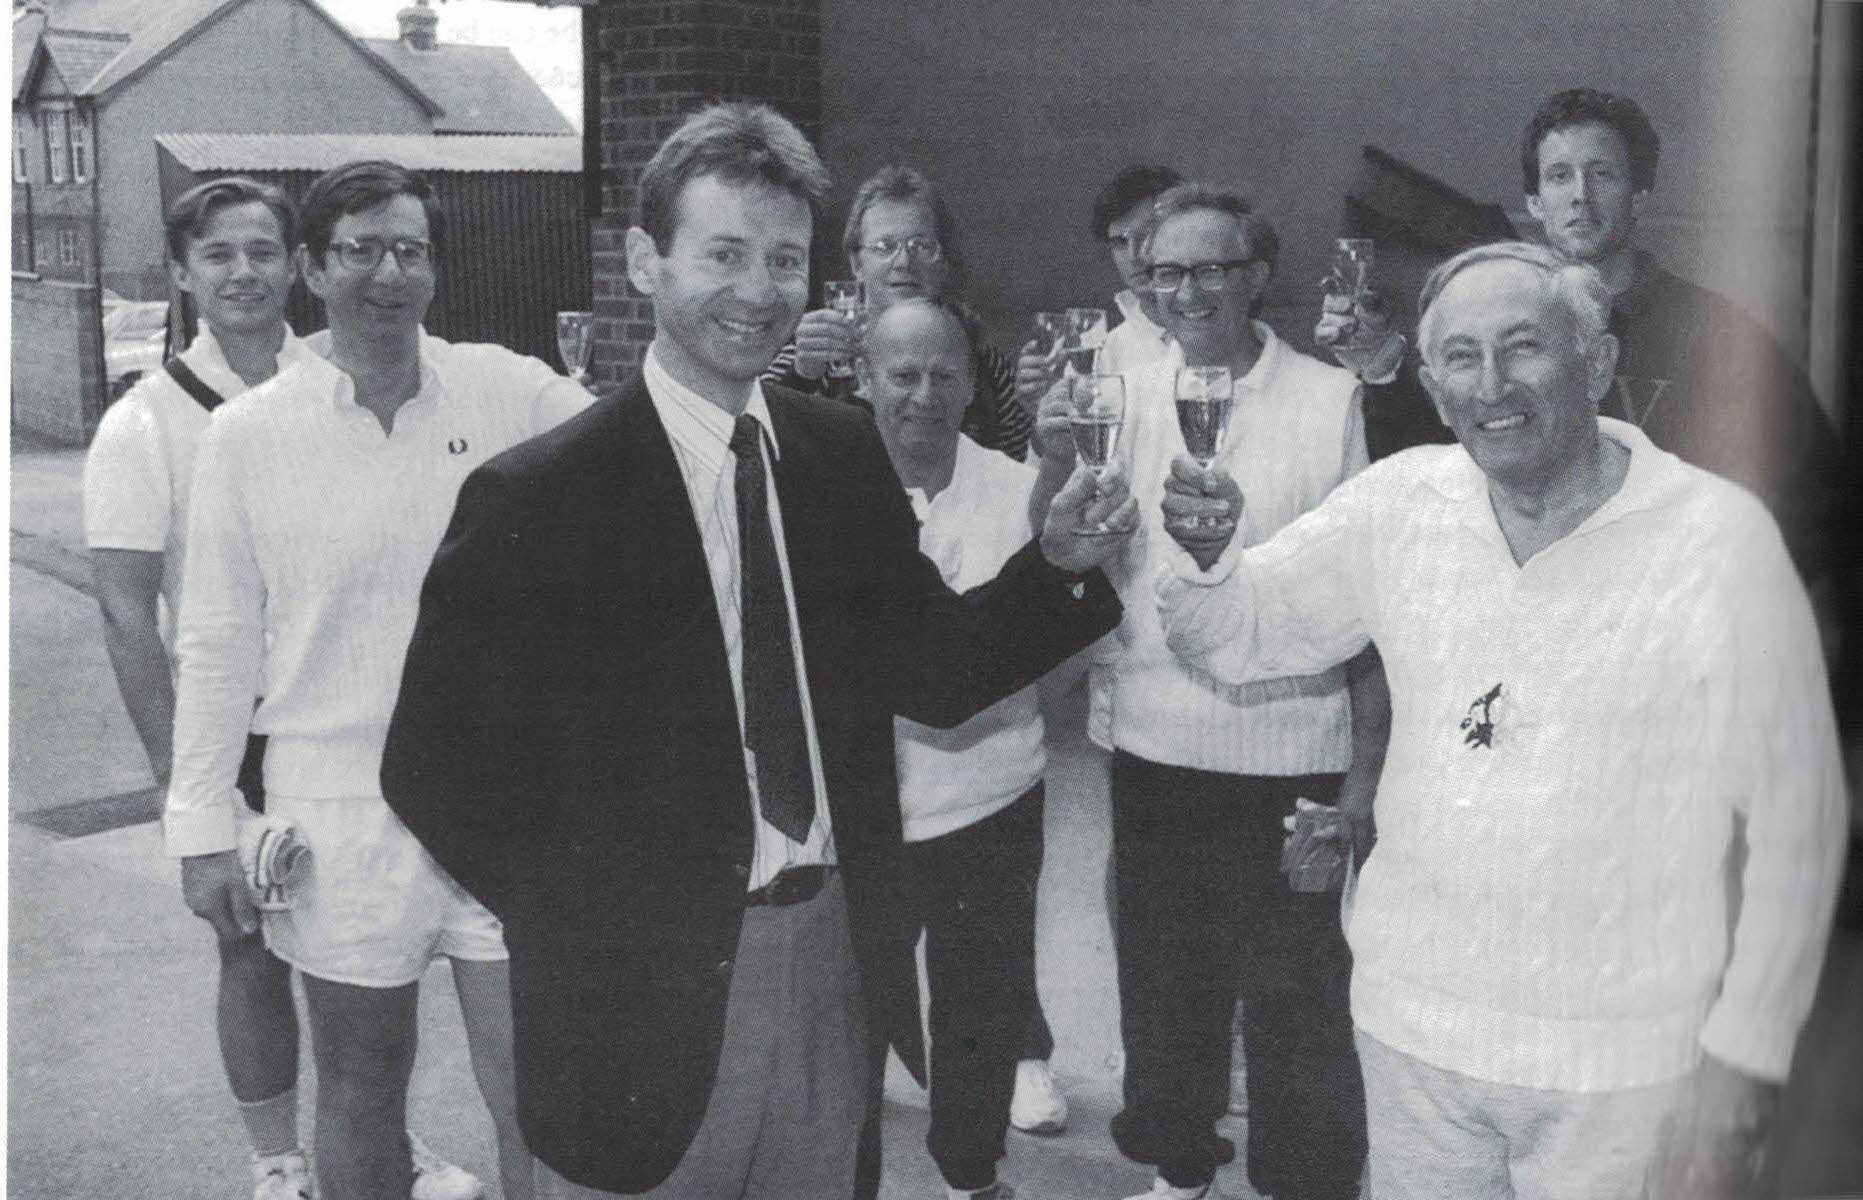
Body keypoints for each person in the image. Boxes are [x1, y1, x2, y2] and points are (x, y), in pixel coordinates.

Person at [377, 102, 1132, 1200]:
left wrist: (1059, 558)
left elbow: (938, 668)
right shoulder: (537, 496)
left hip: (832, 957)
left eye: (784, 258)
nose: (758, 288)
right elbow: (432, 765)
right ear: (646, 260)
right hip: (637, 996)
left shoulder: (838, 455)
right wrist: (591, 918)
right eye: (724, 253)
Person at [1158, 240, 1846, 1200]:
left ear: (1596, 363)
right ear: (1433, 390)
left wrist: (1751, 1049)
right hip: (1414, 1030)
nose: (1492, 386)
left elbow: (1799, 818)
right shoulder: (1399, 505)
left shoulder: (1715, 539)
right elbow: (1239, 636)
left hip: (1620, 1060)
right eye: (1462, 359)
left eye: (1523, 347)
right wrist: (1202, 557)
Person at [165, 160, 591, 1199]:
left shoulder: (506, 389)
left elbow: (643, 447)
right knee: (361, 1087)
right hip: (339, 811)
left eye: (409, 249)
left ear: (434, 268)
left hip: (500, 806)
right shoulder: (246, 437)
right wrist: (201, 826)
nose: (386, 273)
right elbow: (218, 643)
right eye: (359, 249)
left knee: (540, 1090)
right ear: (312, 268)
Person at [84, 177, 480, 1200]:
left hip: (339, 712)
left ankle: (385, 1141)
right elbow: (132, 616)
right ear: (181, 274)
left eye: (263, 250)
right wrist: (194, 797)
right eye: (219, 256)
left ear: (297, 264)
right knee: (250, 952)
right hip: (236, 728)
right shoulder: (145, 425)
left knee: (376, 960)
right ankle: (278, 1158)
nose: (245, 273)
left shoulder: (348, 376)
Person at [1041, 183, 1371, 1200]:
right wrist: (1055, 466)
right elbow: (1070, 558)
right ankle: (1180, 1175)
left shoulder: (1328, 399)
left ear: (1259, 276)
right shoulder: (1116, 392)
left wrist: (1361, 787)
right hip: (1156, 748)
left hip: (1289, 754)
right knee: (1165, 995)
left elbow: (1359, 607)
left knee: (1298, 1009)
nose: (1188, 291)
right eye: (1166, 272)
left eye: (1214, 267)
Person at [1324, 88, 1841, 574]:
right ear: (1533, 202)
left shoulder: (1716, 333)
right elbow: (1433, 480)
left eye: (1602, 174)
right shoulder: (1486, 328)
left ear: (1639, 195)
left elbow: (1814, 502)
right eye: (1560, 176)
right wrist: (1380, 363)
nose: (1580, 196)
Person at [857, 297, 1076, 1200]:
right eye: (900, 374)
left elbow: (1060, 644)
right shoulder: (826, 485)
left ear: (970, 383)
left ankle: (969, 1178)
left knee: (979, 1016)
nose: (922, 395)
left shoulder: (1011, 488)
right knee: (849, 1022)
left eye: (943, 374)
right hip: (862, 811)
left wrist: (1012, 716)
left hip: (991, 798)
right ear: (864, 379)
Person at [762, 164, 1034, 459]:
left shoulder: (984, 366)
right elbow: (754, 450)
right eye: (884, 246)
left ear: (942, 263)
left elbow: (1018, 472)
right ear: (857, 264)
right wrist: (802, 377)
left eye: (920, 245)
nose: (904, 261)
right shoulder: (812, 353)